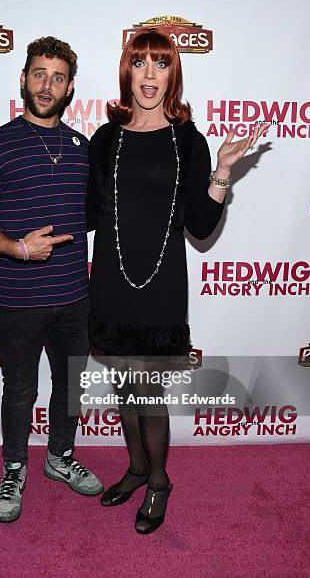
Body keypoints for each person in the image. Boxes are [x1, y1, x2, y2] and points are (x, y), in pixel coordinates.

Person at [87, 28, 269, 534]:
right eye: (140, 63)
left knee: (150, 393)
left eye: (160, 64)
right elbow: (85, 212)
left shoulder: (189, 140)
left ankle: (160, 481)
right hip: (111, 282)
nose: (150, 75)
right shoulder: (106, 138)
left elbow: (201, 225)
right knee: (126, 388)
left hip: (162, 286)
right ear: (128, 71)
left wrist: (223, 172)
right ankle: (137, 469)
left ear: (174, 73)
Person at [0, 36, 103, 523]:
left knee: (69, 386)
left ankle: (60, 459)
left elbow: (97, 212)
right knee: (19, 390)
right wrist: (18, 248)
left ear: (69, 89)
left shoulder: (83, 148)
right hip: (16, 297)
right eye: (39, 74)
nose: (47, 85)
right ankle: (14, 468)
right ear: (23, 79)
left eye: (58, 77)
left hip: (74, 298)